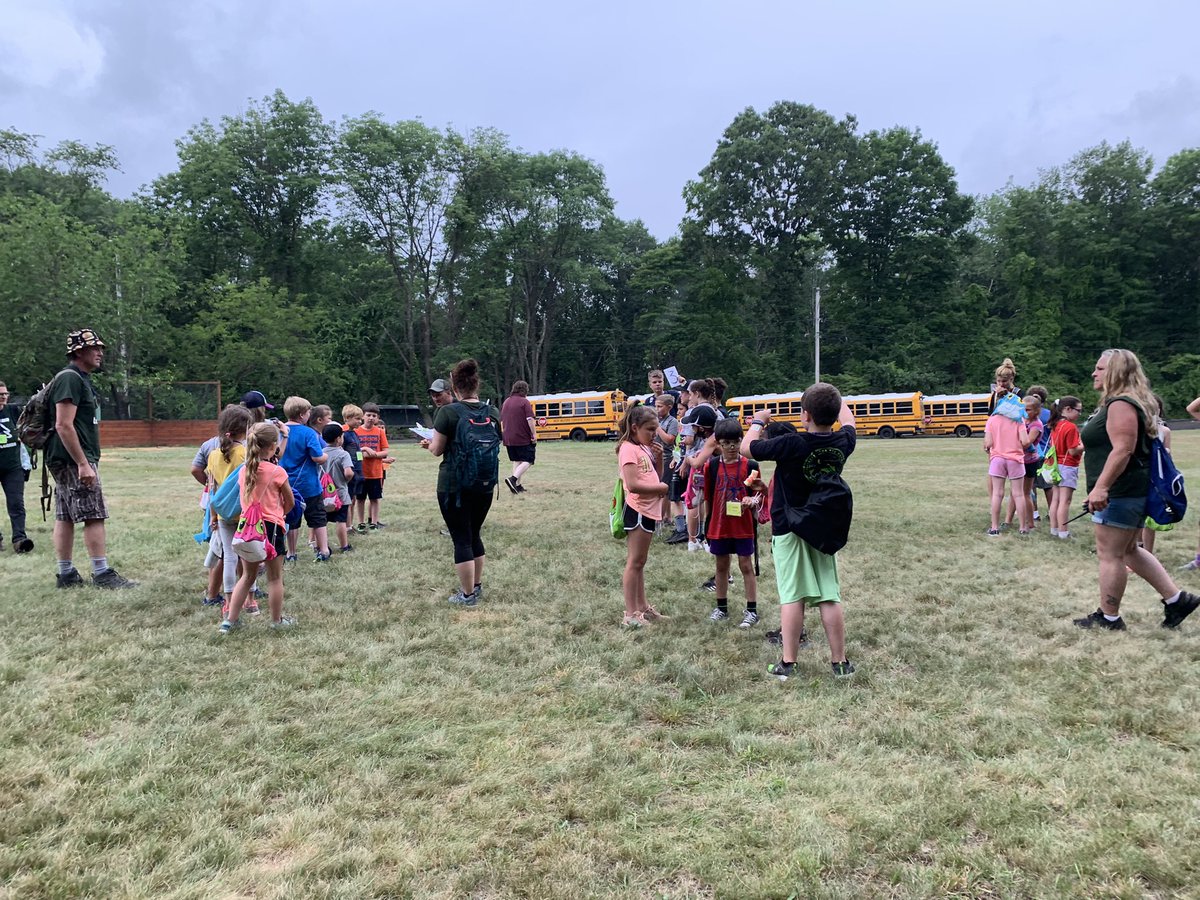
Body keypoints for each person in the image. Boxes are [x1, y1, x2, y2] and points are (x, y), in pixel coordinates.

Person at [1073, 349, 1199, 631]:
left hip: (1121, 491)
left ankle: (1109, 617)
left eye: (1100, 368)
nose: (1094, 373)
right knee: (1130, 550)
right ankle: (1177, 600)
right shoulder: (1129, 401)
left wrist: (1102, 487)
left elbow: (1123, 449)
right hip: (1130, 489)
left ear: (1116, 371)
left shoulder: (1121, 404)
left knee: (1110, 554)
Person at [742, 382, 857, 679]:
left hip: (789, 527)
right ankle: (840, 663)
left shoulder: (793, 443)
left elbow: (746, 448)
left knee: (793, 595)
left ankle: (788, 663)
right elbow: (849, 420)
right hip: (823, 527)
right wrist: (836, 399)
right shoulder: (843, 441)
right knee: (829, 595)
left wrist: (758, 421)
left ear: (805, 415)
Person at [44, 329, 135, 589]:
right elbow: (63, 425)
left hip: (66, 459)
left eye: (101, 348)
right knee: (94, 515)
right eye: (94, 348)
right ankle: (102, 573)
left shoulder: (76, 378)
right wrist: (83, 463)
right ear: (78, 352)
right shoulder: (70, 378)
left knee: (65, 515)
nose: (100, 353)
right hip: (74, 459)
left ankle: (66, 575)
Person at [426, 359, 500, 607]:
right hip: (485, 483)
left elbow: (437, 450)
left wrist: (429, 445)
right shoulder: (492, 412)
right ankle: (476, 586)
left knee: (461, 539)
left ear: (454, 388)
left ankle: (467, 595)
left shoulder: (447, 412)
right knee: (474, 533)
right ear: (476, 385)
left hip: (454, 486)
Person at [220, 422, 296, 634]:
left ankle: (230, 621)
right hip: (271, 529)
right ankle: (276, 621)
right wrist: (280, 513)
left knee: (247, 576)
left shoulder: (243, 471)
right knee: (275, 578)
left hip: (247, 529)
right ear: (273, 446)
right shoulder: (277, 472)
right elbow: (290, 502)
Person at [616, 403, 670, 626]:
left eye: (656, 429)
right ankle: (631, 614)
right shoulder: (628, 448)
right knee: (635, 562)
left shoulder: (643, 447)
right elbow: (633, 485)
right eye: (650, 429)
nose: (654, 434)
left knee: (640, 562)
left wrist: (659, 458)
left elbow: (655, 476)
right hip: (638, 510)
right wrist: (661, 489)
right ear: (635, 427)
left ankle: (643, 607)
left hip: (647, 510)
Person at [703, 418, 761, 627]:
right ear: (718, 444)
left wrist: (752, 501)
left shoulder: (750, 466)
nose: (731, 447)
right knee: (721, 566)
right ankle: (721, 607)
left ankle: (752, 610)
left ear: (741, 440)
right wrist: (707, 526)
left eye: (735, 442)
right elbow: (708, 498)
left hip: (743, 526)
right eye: (726, 443)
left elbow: (757, 494)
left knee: (746, 565)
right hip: (719, 526)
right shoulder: (711, 467)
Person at [205, 405, 254, 612]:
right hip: (244, 512)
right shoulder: (245, 453)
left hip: (223, 513)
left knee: (229, 558)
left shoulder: (213, 455)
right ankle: (250, 600)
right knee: (249, 557)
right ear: (246, 429)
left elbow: (213, 488)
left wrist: (213, 515)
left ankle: (228, 602)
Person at [277, 396, 329, 562]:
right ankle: (323, 550)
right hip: (309, 485)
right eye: (308, 412)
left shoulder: (279, 432)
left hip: (286, 484)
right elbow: (317, 457)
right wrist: (326, 456)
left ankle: (291, 553)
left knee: (292, 519)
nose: (309, 415)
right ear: (301, 415)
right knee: (317, 517)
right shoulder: (308, 433)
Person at [983, 399, 1032, 536]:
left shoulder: (992, 420)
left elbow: (988, 443)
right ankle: (1023, 528)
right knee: (1019, 494)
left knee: (997, 493)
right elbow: (1025, 441)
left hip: (997, 459)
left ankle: (994, 527)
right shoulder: (1018, 420)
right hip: (1015, 459)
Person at [0, 380, 33, 553]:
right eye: (0, 394)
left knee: (16, 504)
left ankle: (20, 539)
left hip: (13, 467)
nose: (4, 397)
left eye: (5, 394)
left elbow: (29, 420)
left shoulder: (13, 410)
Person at [1004, 395, 1044, 531]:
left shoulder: (1036, 425)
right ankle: (1007, 521)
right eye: (1023, 409)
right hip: (1018, 459)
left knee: (1026, 493)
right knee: (1014, 492)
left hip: (1029, 462)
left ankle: (1030, 522)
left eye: (1028, 410)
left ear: (1037, 411)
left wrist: (1009, 445)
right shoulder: (1021, 420)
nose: (1025, 412)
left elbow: (1027, 443)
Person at [1139, 395, 1173, 557]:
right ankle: (1137, 547)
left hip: (1156, 478)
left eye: (1156, 408)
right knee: (1137, 514)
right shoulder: (1138, 428)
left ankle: (1148, 553)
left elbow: (1168, 457)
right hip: (1140, 476)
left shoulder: (1164, 431)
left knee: (1150, 519)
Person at [1047, 396, 1084, 539]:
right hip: (1068, 466)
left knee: (1055, 500)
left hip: (1055, 466)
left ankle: (1054, 529)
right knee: (1065, 501)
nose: (1079, 414)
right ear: (1068, 409)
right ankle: (1063, 532)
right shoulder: (1070, 427)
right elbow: (1073, 450)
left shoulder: (1055, 424)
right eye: (1078, 410)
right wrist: (1084, 445)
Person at [354, 403, 393, 531]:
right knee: (360, 499)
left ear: (377, 418)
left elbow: (385, 452)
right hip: (360, 472)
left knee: (374, 498)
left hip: (375, 472)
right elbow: (354, 452)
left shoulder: (380, 432)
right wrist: (364, 452)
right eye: (368, 415)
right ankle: (361, 522)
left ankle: (374, 523)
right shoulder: (356, 432)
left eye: (374, 416)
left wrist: (374, 454)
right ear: (363, 416)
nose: (371, 418)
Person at [321, 423, 355, 554]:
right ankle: (344, 546)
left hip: (323, 494)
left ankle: (322, 546)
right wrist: (347, 480)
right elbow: (348, 473)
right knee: (341, 520)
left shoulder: (320, 453)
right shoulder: (343, 454)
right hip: (340, 493)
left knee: (322, 522)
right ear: (338, 439)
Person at [500, 380, 538, 494]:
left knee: (517, 460)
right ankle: (513, 479)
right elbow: (530, 419)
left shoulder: (506, 401)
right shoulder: (524, 402)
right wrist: (534, 434)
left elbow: (502, 420)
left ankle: (517, 486)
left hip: (508, 437)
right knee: (528, 460)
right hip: (522, 437)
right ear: (525, 390)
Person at [652, 394, 680, 532]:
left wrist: (658, 428)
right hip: (654, 457)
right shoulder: (655, 419)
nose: (657, 409)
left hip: (666, 458)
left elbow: (669, 439)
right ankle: (667, 517)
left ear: (669, 407)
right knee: (663, 490)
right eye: (656, 406)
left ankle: (660, 518)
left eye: (660, 406)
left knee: (663, 489)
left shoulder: (672, 421)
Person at [341, 405, 366, 531]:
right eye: (357, 419)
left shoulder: (355, 433)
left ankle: (350, 524)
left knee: (353, 498)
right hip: (349, 470)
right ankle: (347, 526)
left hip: (358, 469)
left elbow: (357, 451)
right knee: (348, 499)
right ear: (347, 418)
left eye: (360, 419)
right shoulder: (343, 435)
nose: (360, 422)